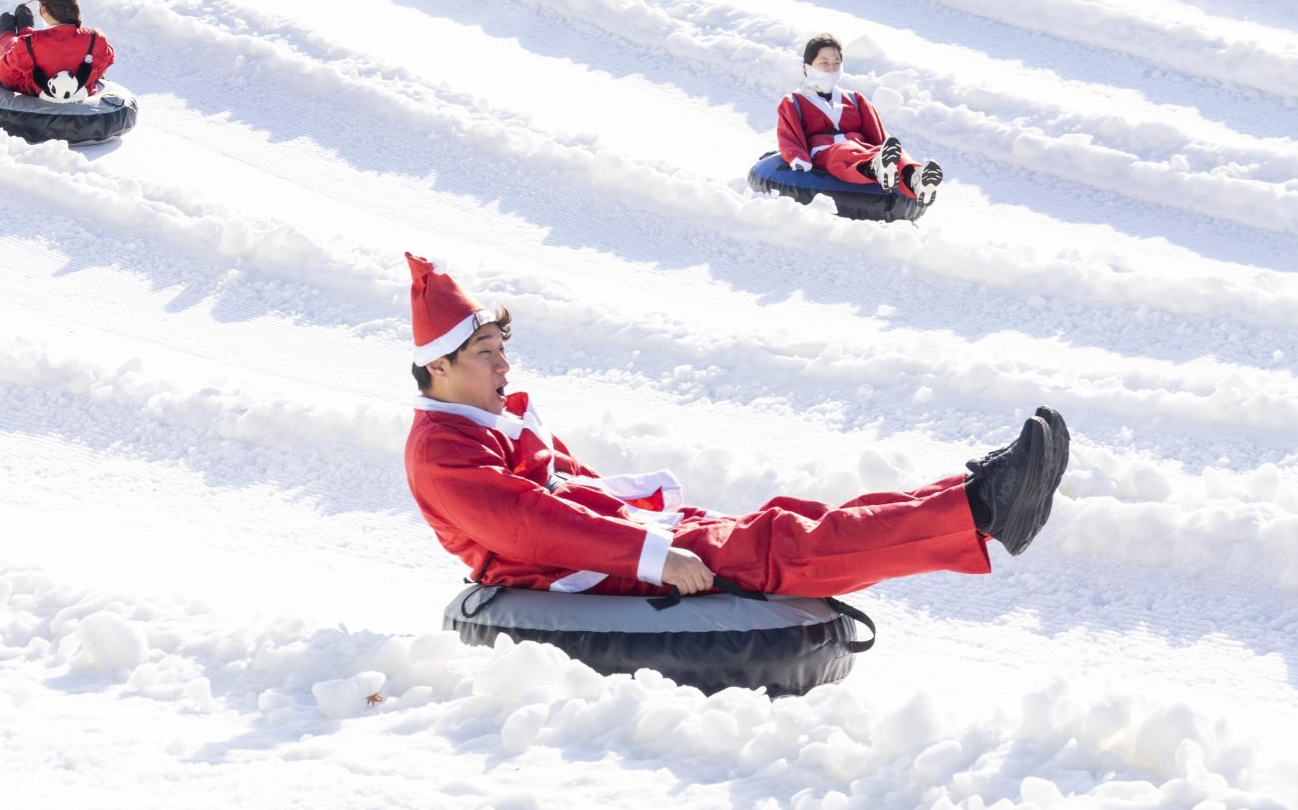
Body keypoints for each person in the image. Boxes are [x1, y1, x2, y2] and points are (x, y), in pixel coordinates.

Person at [402, 255, 1070, 598]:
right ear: (440, 366)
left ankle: (974, 494)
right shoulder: (442, 452)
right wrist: (655, 556)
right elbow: (529, 525)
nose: (505, 365)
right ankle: (982, 508)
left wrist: (647, 529)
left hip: (610, 541)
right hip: (572, 572)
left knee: (788, 517)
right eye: (487, 355)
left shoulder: (488, 421)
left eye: (502, 349)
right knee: (781, 544)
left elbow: (569, 483)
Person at [777, 33, 943, 206]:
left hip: (862, 146)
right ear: (807, 68)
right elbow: (788, 134)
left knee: (891, 153)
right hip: (825, 151)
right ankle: (874, 168)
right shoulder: (794, 101)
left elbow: (879, 136)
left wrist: (894, 153)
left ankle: (916, 180)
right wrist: (798, 159)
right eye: (824, 63)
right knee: (844, 151)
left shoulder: (855, 99)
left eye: (836, 63)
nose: (831, 68)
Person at [0, 0, 117, 100]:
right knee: (29, 46)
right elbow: (108, 59)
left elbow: (6, 73)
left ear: (43, 9)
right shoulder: (96, 38)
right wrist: (93, 75)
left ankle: (10, 34)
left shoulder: (28, 44)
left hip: (37, 89)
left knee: (12, 45)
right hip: (82, 91)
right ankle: (26, 30)